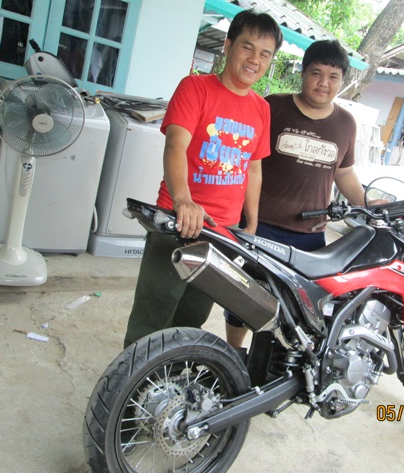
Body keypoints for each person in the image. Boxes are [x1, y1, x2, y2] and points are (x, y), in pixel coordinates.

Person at [123, 9, 283, 348]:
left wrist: (252, 222)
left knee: (193, 315)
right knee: (153, 313)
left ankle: (173, 372)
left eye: (265, 54)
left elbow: (253, 168)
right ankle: (134, 376)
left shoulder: (262, 109)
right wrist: (184, 200)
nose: (255, 59)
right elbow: (175, 146)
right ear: (228, 46)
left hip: (223, 232)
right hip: (177, 221)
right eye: (247, 47)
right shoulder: (195, 88)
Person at [226, 39, 370, 348]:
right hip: (261, 225)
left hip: (310, 236)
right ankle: (233, 353)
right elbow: (247, 161)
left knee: (296, 309)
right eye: (316, 73)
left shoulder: (345, 124)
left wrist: (367, 203)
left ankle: (271, 363)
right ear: (303, 73)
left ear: (342, 81)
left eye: (333, 77)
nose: (324, 83)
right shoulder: (273, 107)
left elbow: (344, 173)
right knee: (246, 298)